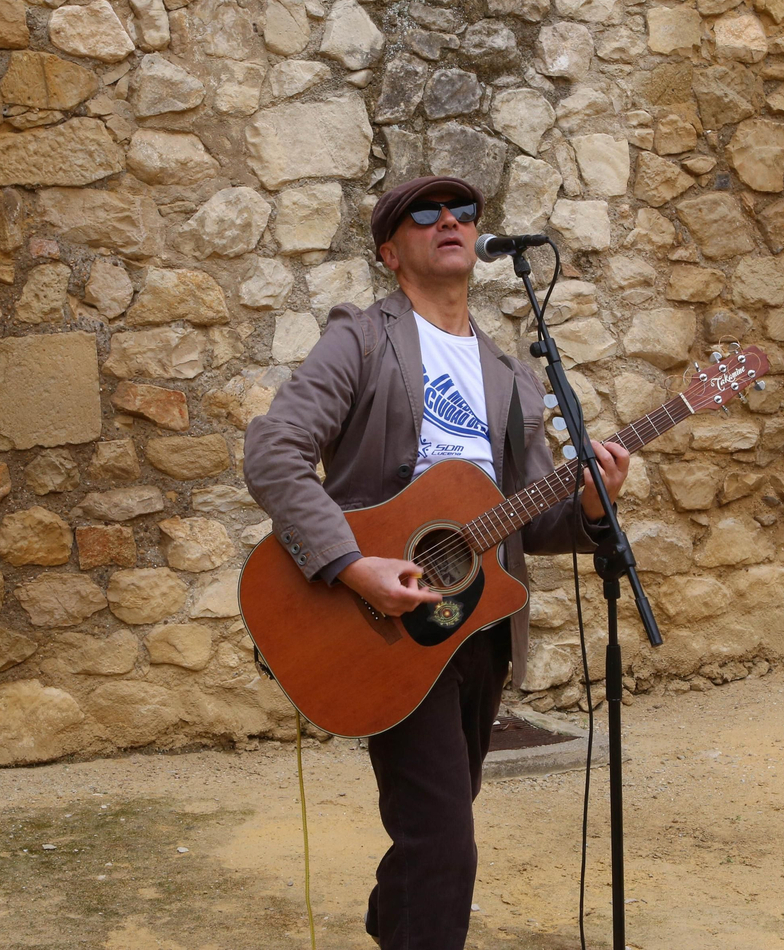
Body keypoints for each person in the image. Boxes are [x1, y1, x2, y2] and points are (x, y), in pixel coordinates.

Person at [243, 175, 631, 950]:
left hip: (475, 624)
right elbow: (274, 452)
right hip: (381, 621)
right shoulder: (361, 339)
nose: (449, 221)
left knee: (438, 827)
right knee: (446, 843)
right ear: (393, 251)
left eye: (464, 212)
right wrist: (355, 566)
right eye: (426, 214)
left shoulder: (512, 375)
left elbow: (528, 519)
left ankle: (394, 925)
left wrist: (591, 506)